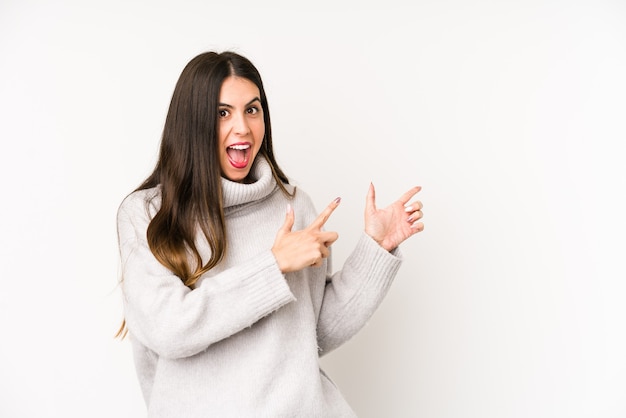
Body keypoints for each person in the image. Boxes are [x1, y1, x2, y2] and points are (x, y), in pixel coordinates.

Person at [116, 50, 424, 417]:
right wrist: (273, 265)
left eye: (252, 109)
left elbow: (312, 334)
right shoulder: (148, 214)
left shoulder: (293, 205)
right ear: (192, 121)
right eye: (222, 112)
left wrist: (376, 249)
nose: (243, 127)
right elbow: (168, 328)